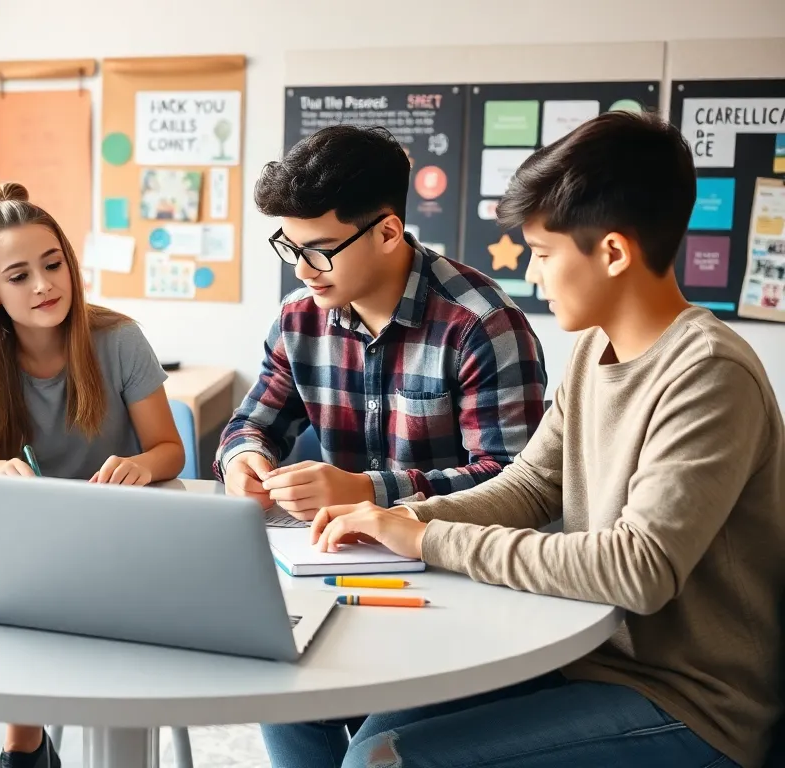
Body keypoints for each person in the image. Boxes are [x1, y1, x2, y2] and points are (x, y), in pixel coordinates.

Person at [293, 111, 785, 767]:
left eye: (545, 253)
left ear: (612, 252)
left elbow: (637, 570)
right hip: (582, 655)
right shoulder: (593, 353)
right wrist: (398, 517)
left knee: (382, 758)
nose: (532, 273)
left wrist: (426, 538)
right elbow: (531, 485)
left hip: (689, 704)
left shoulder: (707, 374)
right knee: (339, 710)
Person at [0, 182, 185, 768]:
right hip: (34, 542)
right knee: (5, 598)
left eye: (53, 265)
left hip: (119, 532)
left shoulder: (119, 339)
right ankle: (24, 743)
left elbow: (169, 449)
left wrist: (140, 464)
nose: (44, 285)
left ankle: (34, 747)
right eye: (19, 275)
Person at [218, 124, 548, 530]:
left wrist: (366, 491)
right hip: (334, 549)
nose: (302, 270)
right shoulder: (298, 317)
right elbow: (252, 423)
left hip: (453, 555)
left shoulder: (483, 326)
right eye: (291, 248)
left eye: (319, 251)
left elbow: (515, 483)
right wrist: (242, 459)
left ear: (388, 233)